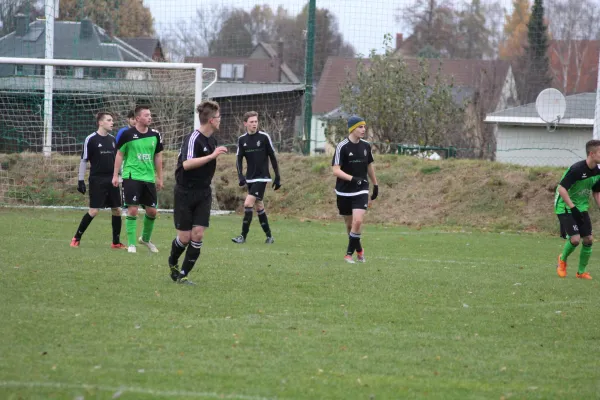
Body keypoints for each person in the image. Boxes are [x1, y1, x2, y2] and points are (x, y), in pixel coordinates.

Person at [168, 101, 228, 285]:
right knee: (185, 238)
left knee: (198, 234)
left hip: (203, 193)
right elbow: (186, 164)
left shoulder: (212, 140)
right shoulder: (193, 138)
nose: (220, 120)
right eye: (218, 117)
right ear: (211, 120)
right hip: (185, 193)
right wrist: (211, 156)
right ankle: (172, 261)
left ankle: (184, 275)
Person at [112, 106, 164, 254]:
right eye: (146, 115)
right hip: (131, 176)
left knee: (152, 211)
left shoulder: (155, 135)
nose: (150, 117)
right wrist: (116, 175)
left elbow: (158, 156)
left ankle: (145, 239)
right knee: (133, 209)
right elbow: (120, 155)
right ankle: (131, 244)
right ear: (138, 118)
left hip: (148, 177)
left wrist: (159, 177)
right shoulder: (127, 134)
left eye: (150, 115)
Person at [70, 112, 126, 249]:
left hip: (112, 179)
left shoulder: (113, 140)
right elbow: (84, 160)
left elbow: (118, 160)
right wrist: (80, 180)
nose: (112, 122)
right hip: (97, 180)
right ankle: (76, 238)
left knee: (117, 210)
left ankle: (116, 242)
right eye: (109, 120)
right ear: (100, 122)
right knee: (94, 211)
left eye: (112, 120)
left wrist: (121, 177)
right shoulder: (91, 139)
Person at [331, 115, 379, 263]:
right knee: (350, 225)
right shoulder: (342, 146)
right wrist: (352, 178)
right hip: (344, 191)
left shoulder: (366, 146)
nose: (363, 129)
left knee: (358, 222)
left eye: (364, 126)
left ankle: (348, 254)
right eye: (360, 127)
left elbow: (369, 166)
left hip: (362, 189)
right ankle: (359, 250)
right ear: (352, 129)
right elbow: (336, 170)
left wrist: (375, 184)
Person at [231, 111, 281, 244]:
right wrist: (241, 176)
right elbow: (238, 159)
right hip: (250, 178)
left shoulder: (264, 137)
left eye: (256, 121)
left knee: (248, 203)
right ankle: (269, 236)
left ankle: (242, 236)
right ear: (245, 123)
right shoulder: (242, 140)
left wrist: (277, 177)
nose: (254, 124)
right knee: (259, 206)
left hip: (262, 177)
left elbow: (273, 157)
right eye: (251, 122)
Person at [555, 139, 600, 279]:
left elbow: (596, 192)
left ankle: (581, 272)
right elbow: (561, 189)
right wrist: (573, 207)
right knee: (575, 239)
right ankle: (562, 260)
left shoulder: (597, 172)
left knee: (588, 239)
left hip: (581, 208)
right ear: (592, 154)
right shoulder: (577, 169)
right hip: (565, 207)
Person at [116, 110, 136, 216]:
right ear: (128, 119)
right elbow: (117, 148)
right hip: (125, 161)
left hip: (137, 162)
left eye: (135, 119)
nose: (134, 121)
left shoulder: (141, 132)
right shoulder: (123, 132)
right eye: (132, 119)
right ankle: (124, 206)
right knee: (126, 182)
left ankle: (133, 204)